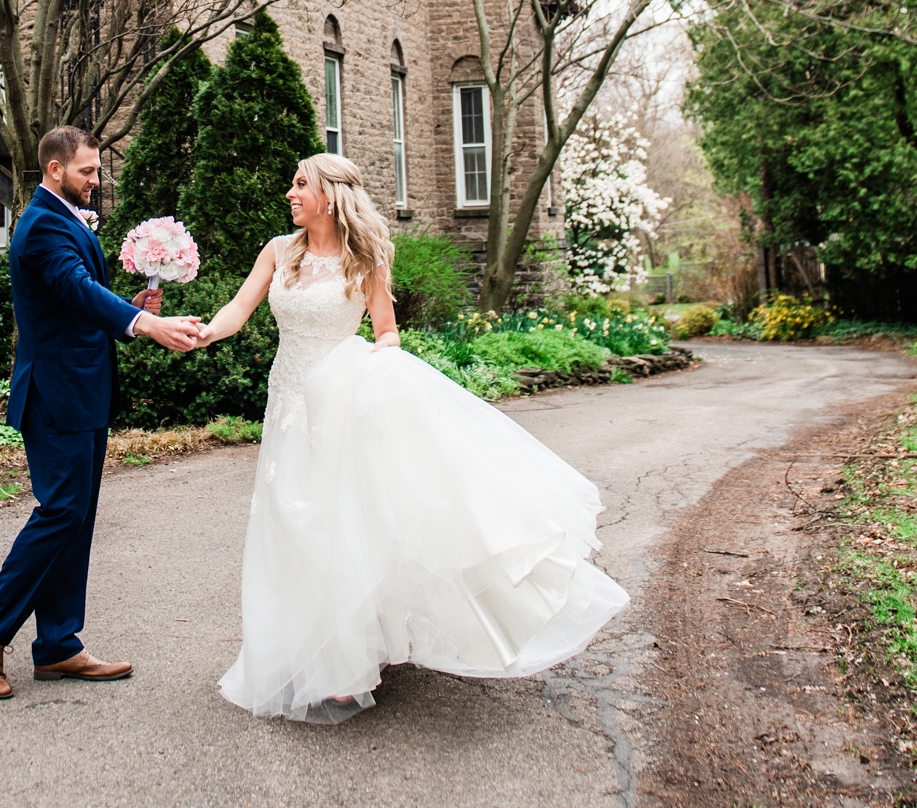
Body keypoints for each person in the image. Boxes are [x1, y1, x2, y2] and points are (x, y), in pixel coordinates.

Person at [191, 152, 630, 722]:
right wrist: (202, 334)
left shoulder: (368, 257)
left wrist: (384, 374)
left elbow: (385, 331)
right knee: (293, 524)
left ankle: (346, 665)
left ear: (331, 195)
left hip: (346, 403)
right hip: (289, 405)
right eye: (293, 183)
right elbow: (239, 308)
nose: (290, 193)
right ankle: (302, 651)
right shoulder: (279, 252)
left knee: (341, 523)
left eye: (301, 184)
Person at [0, 125, 203, 699]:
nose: (97, 180)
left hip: (83, 390)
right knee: (60, 513)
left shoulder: (65, 217)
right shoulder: (44, 224)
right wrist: (145, 323)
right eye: (88, 171)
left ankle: (59, 646)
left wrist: (133, 306)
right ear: (55, 170)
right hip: (56, 395)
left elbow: (80, 302)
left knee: (77, 518)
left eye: (96, 170)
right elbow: (74, 287)